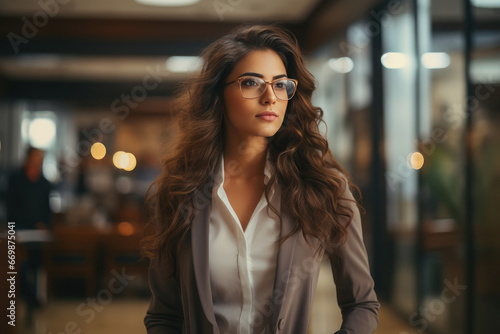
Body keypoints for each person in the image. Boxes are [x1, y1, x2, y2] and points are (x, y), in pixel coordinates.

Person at [142, 25, 379, 334]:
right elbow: (164, 316)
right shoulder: (179, 192)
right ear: (218, 94)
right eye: (251, 82)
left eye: (280, 85)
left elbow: (362, 304)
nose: (270, 97)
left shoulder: (323, 187)